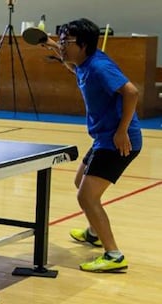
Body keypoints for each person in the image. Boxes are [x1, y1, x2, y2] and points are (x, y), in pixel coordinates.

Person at [55, 18, 141, 272]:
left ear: (83, 45)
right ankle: (93, 232)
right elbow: (73, 68)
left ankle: (114, 255)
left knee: (86, 196)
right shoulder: (83, 63)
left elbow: (132, 92)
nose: (62, 45)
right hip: (103, 138)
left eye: (66, 42)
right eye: (61, 40)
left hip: (118, 141)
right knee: (79, 181)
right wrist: (56, 48)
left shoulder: (100, 67)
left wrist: (122, 131)